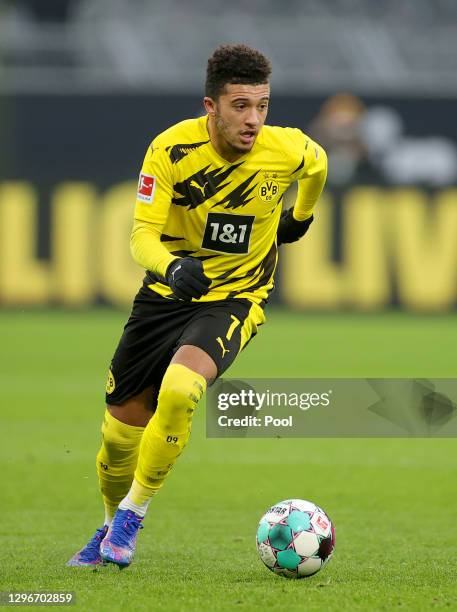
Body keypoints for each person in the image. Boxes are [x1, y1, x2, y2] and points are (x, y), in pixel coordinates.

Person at [67, 43, 327, 569]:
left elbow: (319, 165)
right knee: (120, 437)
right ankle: (107, 525)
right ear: (210, 107)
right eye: (240, 106)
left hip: (237, 296)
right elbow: (141, 236)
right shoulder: (170, 151)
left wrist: (300, 217)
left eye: (262, 106)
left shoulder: (286, 149)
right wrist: (171, 267)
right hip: (168, 295)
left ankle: (133, 516)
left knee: (182, 388)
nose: (253, 120)